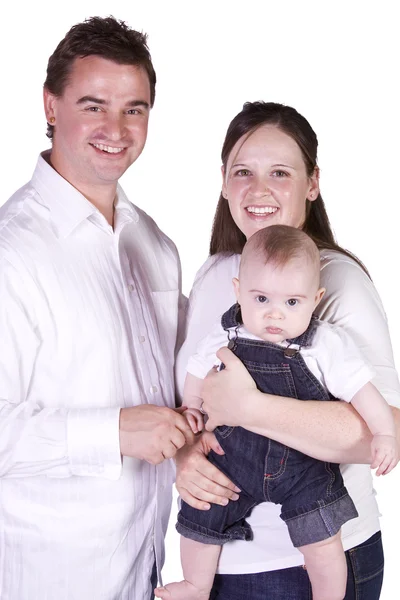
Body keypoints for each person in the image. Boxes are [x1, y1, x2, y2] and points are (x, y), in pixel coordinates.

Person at [0, 16, 195, 600]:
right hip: (52, 579)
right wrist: (112, 431)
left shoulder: (154, 244)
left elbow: (185, 373)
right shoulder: (12, 254)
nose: (116, 128)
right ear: (51, 105)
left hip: (145, 567)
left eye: (134, 109)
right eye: (94, 105)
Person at [173, 102, 400, 599]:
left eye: (280, 172)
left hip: (304, 562)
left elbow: (384, 431)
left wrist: (251, 408)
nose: (259, 190)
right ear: (223, 180)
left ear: (312, 183)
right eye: (243, 172)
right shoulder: (214, 275)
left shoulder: (338, 282)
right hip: (220, 554)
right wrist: (185, 452)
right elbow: (190, 400)